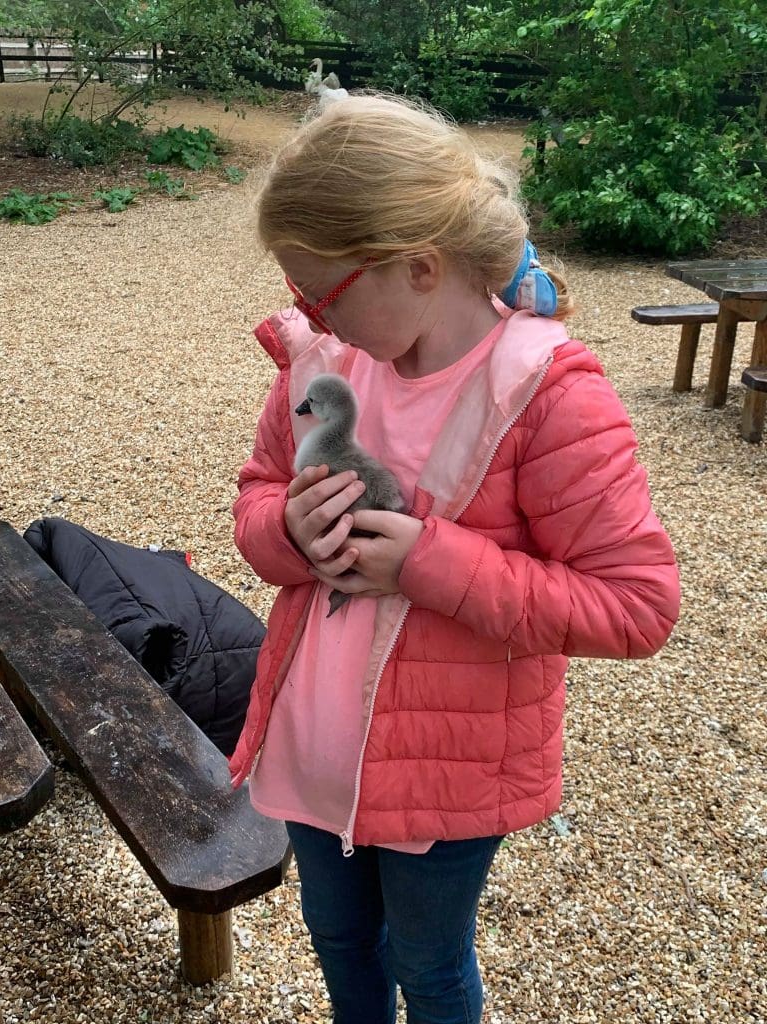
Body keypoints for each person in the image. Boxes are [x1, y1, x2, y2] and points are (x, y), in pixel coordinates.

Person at [229, 95, 680, 1024]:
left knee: (429, 966)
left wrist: (428, 562)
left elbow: (637, 606)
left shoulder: (550, 394)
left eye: (323, 293)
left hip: (447, 773)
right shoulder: (323, 363)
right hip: (314, 748)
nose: (308, 315)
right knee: (341, 941)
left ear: (420, 267)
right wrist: (289, 533)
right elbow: (258, 492)